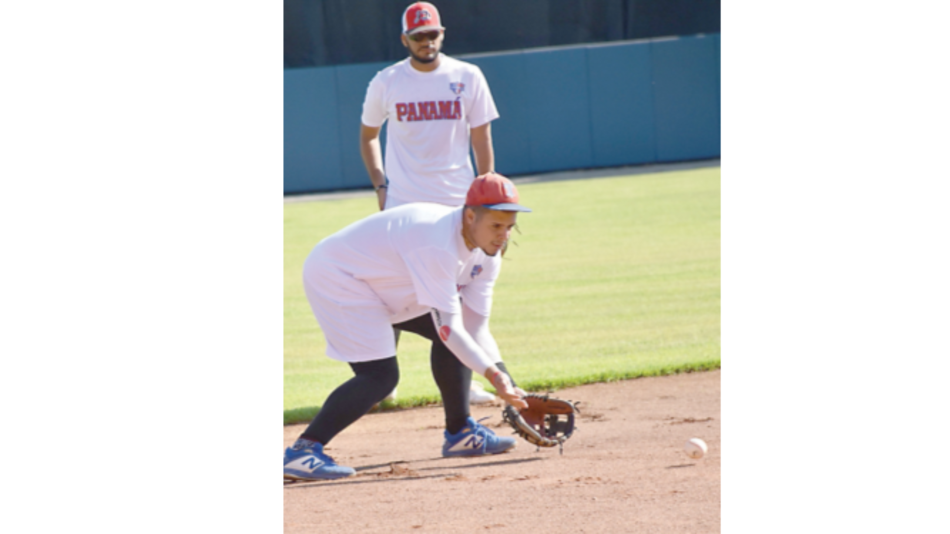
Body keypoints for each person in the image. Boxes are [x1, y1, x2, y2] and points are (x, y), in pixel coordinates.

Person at [281, 174, 532, 482]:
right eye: (496, 225)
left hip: (388, 282)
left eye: (509, 226)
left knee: (455, 342)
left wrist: (510, 386)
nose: (504, 235)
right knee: (379, 376)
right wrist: (494, 377)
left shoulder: (487, 252)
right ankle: (302, 452)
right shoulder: (437, 242)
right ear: (470, 216)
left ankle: (461, 433)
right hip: (340, 276)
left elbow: (474, 328)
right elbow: (451, 328)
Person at [360, 2, 501, 404]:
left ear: (442, 34)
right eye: (418, 36)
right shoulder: (387, 81)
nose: (427, 41)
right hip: (404, 204)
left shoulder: (467, 76)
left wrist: (487, 191)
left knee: (459, 293)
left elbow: (481, 137)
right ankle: (381, 381)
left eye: (432, 34)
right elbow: (369, 135)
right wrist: (380, 185)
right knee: (393, 291)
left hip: (457, 203)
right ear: (405, 40)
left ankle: (462, 382)